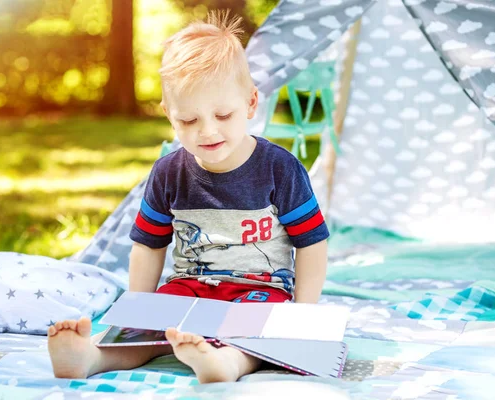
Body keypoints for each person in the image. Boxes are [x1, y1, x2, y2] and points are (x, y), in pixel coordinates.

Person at [47, 10, 329, 384]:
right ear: (169, 115)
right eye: (189, 120)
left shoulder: (280, 169)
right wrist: (139, 311)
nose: (207, 131)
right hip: (191, 286)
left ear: (250, 103)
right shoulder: (168, 173)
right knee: (152, 332)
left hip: (260, 290)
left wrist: (303, 312)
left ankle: (226, 364)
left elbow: (312, 243)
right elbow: (148, 245)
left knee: (256, 338)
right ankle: (93, 357)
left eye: (222, 115)